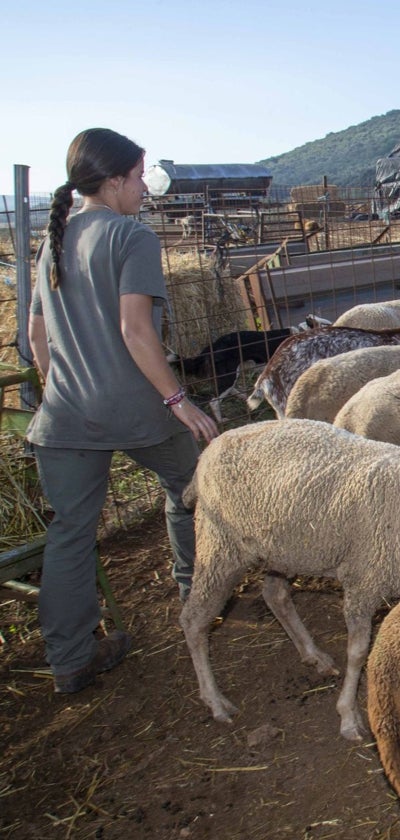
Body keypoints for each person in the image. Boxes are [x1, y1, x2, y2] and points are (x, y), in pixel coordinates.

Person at [27, 128, 219, 694]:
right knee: (191, 488)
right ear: (112, 182)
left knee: (71, 533)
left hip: (65, 417)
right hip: (136, 407)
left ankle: (70, 660)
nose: (142, 189)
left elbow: (37, 336)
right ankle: (198, 599)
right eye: (137, 177)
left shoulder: (51, 241)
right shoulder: (131, 238)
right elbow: (136, 333)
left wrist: (59, 386)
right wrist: (179, 402)